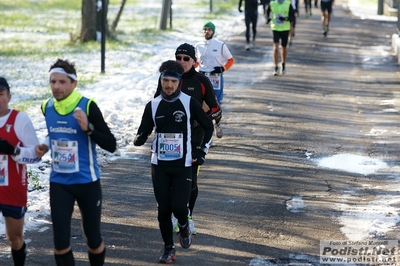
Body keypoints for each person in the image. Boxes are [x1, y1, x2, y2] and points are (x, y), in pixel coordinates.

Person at [35, 59, 117, 266]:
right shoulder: (47, 107)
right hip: (60, 183)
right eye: (53, 81)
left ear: (74, 83)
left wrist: (89, 128)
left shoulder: (87, 106)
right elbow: (54, 133)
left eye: (62, 82)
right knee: (60, 243)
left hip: (87, 182)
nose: (56, 86)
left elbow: (111, 144)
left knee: (93, 238)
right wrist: (45, 144)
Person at [134, 60, 214, 263]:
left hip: (183, 164)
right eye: (165, 80)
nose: (168, 85)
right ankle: (168, 248)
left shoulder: (189, 103)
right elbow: (145, 128)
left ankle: (184, 225)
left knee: (179, 207)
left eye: (173, 81)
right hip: (159, 164)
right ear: (160, 81)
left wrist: (201, 150)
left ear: (179, 82)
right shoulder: (152, 105)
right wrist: (140, 137)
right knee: (163, 209)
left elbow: (208, 126)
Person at [154, 43, 222, 235]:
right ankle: (176, 214)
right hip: (170, 138)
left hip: (194, 137)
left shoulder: (201, 81)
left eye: (186, 59)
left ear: (194, 61)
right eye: (178, 58)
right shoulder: (167, 78)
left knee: (190, 179)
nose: (181, 62)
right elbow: (156, 103)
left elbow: (215, 108)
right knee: (169, 179)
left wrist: (203, 119)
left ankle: (187, 215)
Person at [0, 77, 42, 266]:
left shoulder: (20, 120)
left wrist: (13, 150)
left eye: (0, 95)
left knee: (14, 238)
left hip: (12, 187)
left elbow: (36, 155)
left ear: (9, 96)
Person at [195, 21, 235, 106]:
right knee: (201, 100)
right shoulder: (198, 46)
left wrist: (223, 68)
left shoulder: (220, 45)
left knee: (216, 101)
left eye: (209, 29)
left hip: (215, 77)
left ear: (213, 31)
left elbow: (231, 60)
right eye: (205, 29)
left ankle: (216, 117)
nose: (207, 31)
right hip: (202, 75)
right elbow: (197, 62)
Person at [266, 0, 295, 75]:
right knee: (275, 48)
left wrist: (285, 19)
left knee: (284, 47)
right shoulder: (272, 3)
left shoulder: (288, 4)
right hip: (275, 28)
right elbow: (267, 12)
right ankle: (276, 67)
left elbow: (292, 17)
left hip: (285, 28)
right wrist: (268, 18)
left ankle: (283, 64)